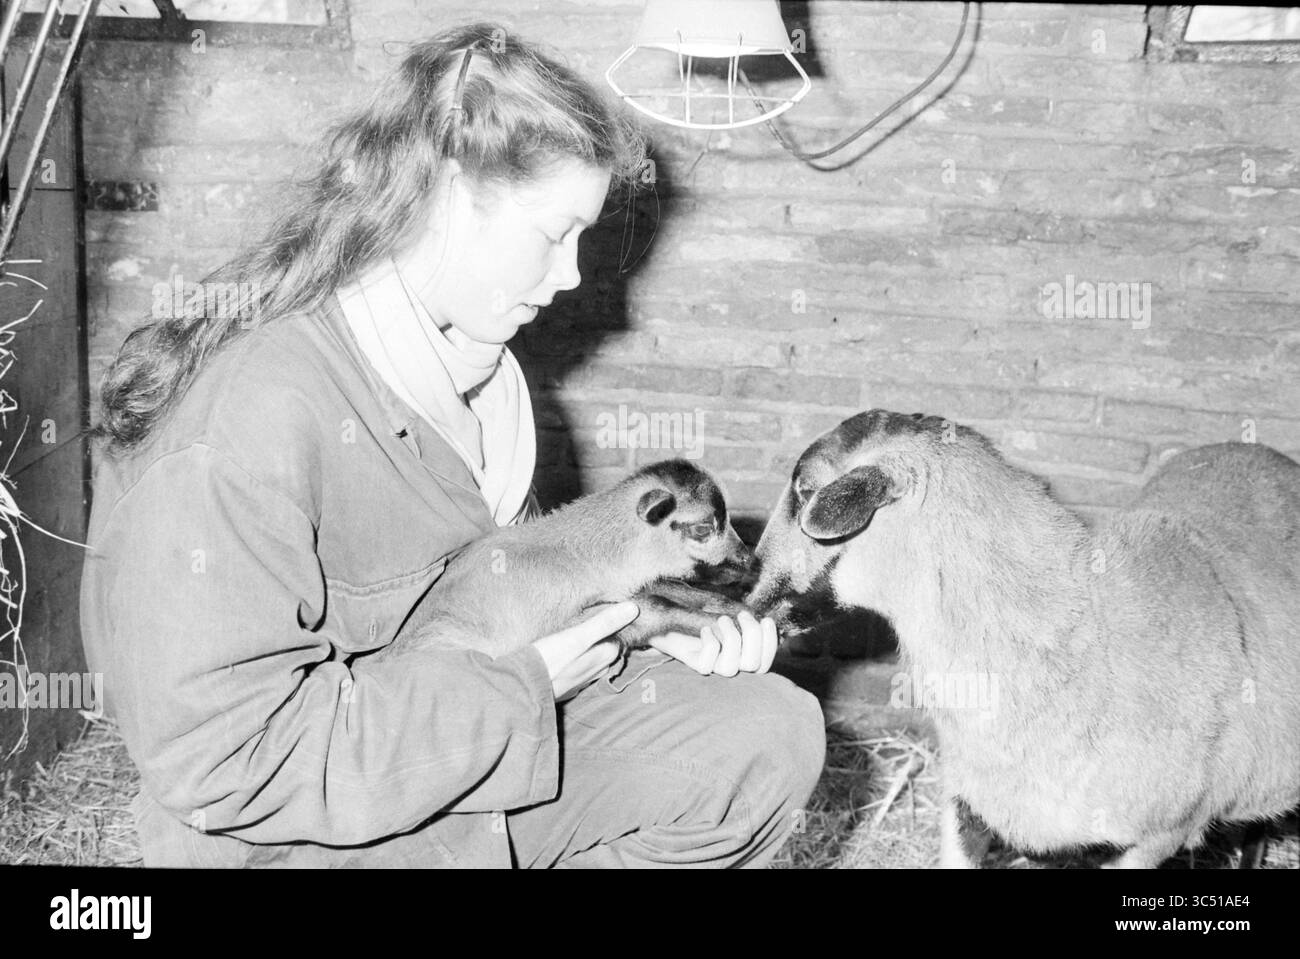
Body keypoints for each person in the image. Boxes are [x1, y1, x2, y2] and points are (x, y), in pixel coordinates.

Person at [79, 22, 825, 868]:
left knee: (767, 734)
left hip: (458, 761)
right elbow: (226, 763)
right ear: (445, 193)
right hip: (304, 833)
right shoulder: (251, 416)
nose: (576, 274)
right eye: (554, 232)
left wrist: (647, 633)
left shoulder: (479, 382)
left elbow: (501, 609)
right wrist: (527, 685)